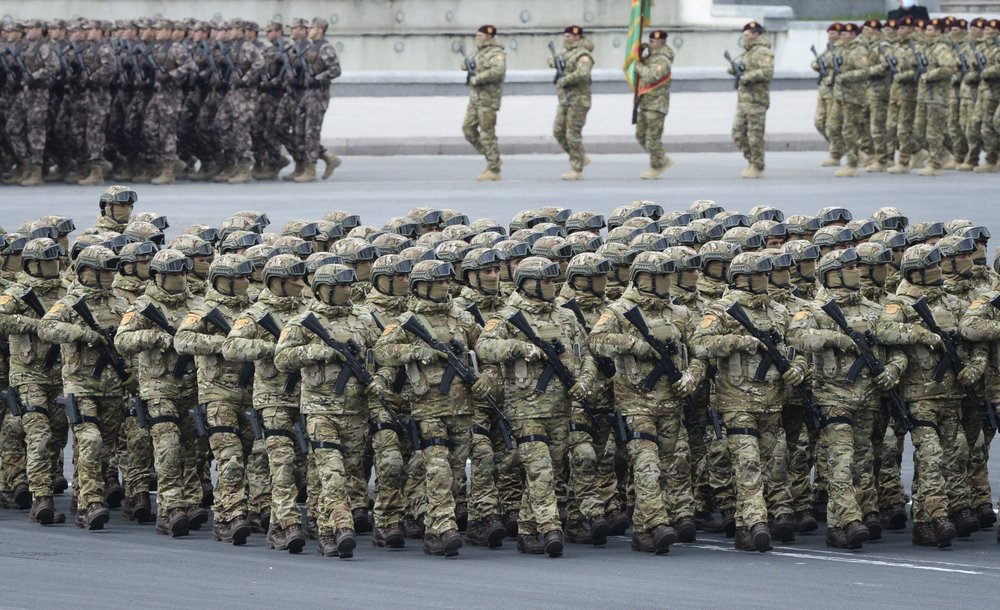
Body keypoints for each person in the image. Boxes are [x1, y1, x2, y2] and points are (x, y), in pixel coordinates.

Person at [729, 21, 774, 179]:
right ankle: (751, 160)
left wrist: (747, 76)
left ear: (756, 34)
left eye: (747, 35)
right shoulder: (748, 52)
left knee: (755, 135)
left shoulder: (763, 51)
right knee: (737, 132)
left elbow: (767, 72)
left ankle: (758, 165)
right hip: (743, 99)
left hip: (756, 99)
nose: (745, 38)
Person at [462, 25, 506, 181]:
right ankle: (493, 157)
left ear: (489, 37)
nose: (477, 38)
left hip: (488, 100)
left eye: (480, 35)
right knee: (468, 129)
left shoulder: (496, 53)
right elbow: (465, 64)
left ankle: (494, 169)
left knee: (488, 134)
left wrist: (478, 78)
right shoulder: (479, 52)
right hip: (475, 99)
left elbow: (497, 71)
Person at [550, 25, 593, 181]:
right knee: (558, 131)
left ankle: (576, 168)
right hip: (565, 100)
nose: (565, 38)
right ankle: (580, 156)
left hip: (578, 100)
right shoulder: (566, 53)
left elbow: (583, 73)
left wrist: (564, 80)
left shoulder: (583, 55)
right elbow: (554, 61)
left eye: (569, 36)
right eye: (565, 36)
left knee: (572, 134)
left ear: (577, 38)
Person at [634, 30, 674, 180]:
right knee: (640, 135)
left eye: (653, 41)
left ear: (661, 43)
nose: (650, 43)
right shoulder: (651, 56)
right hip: (645, 102)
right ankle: (662, 158)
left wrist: (637, 64)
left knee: (652, 138)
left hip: (657, 105)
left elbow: (652, 76)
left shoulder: (663, 60)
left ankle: (656, 166)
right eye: (649, 40)